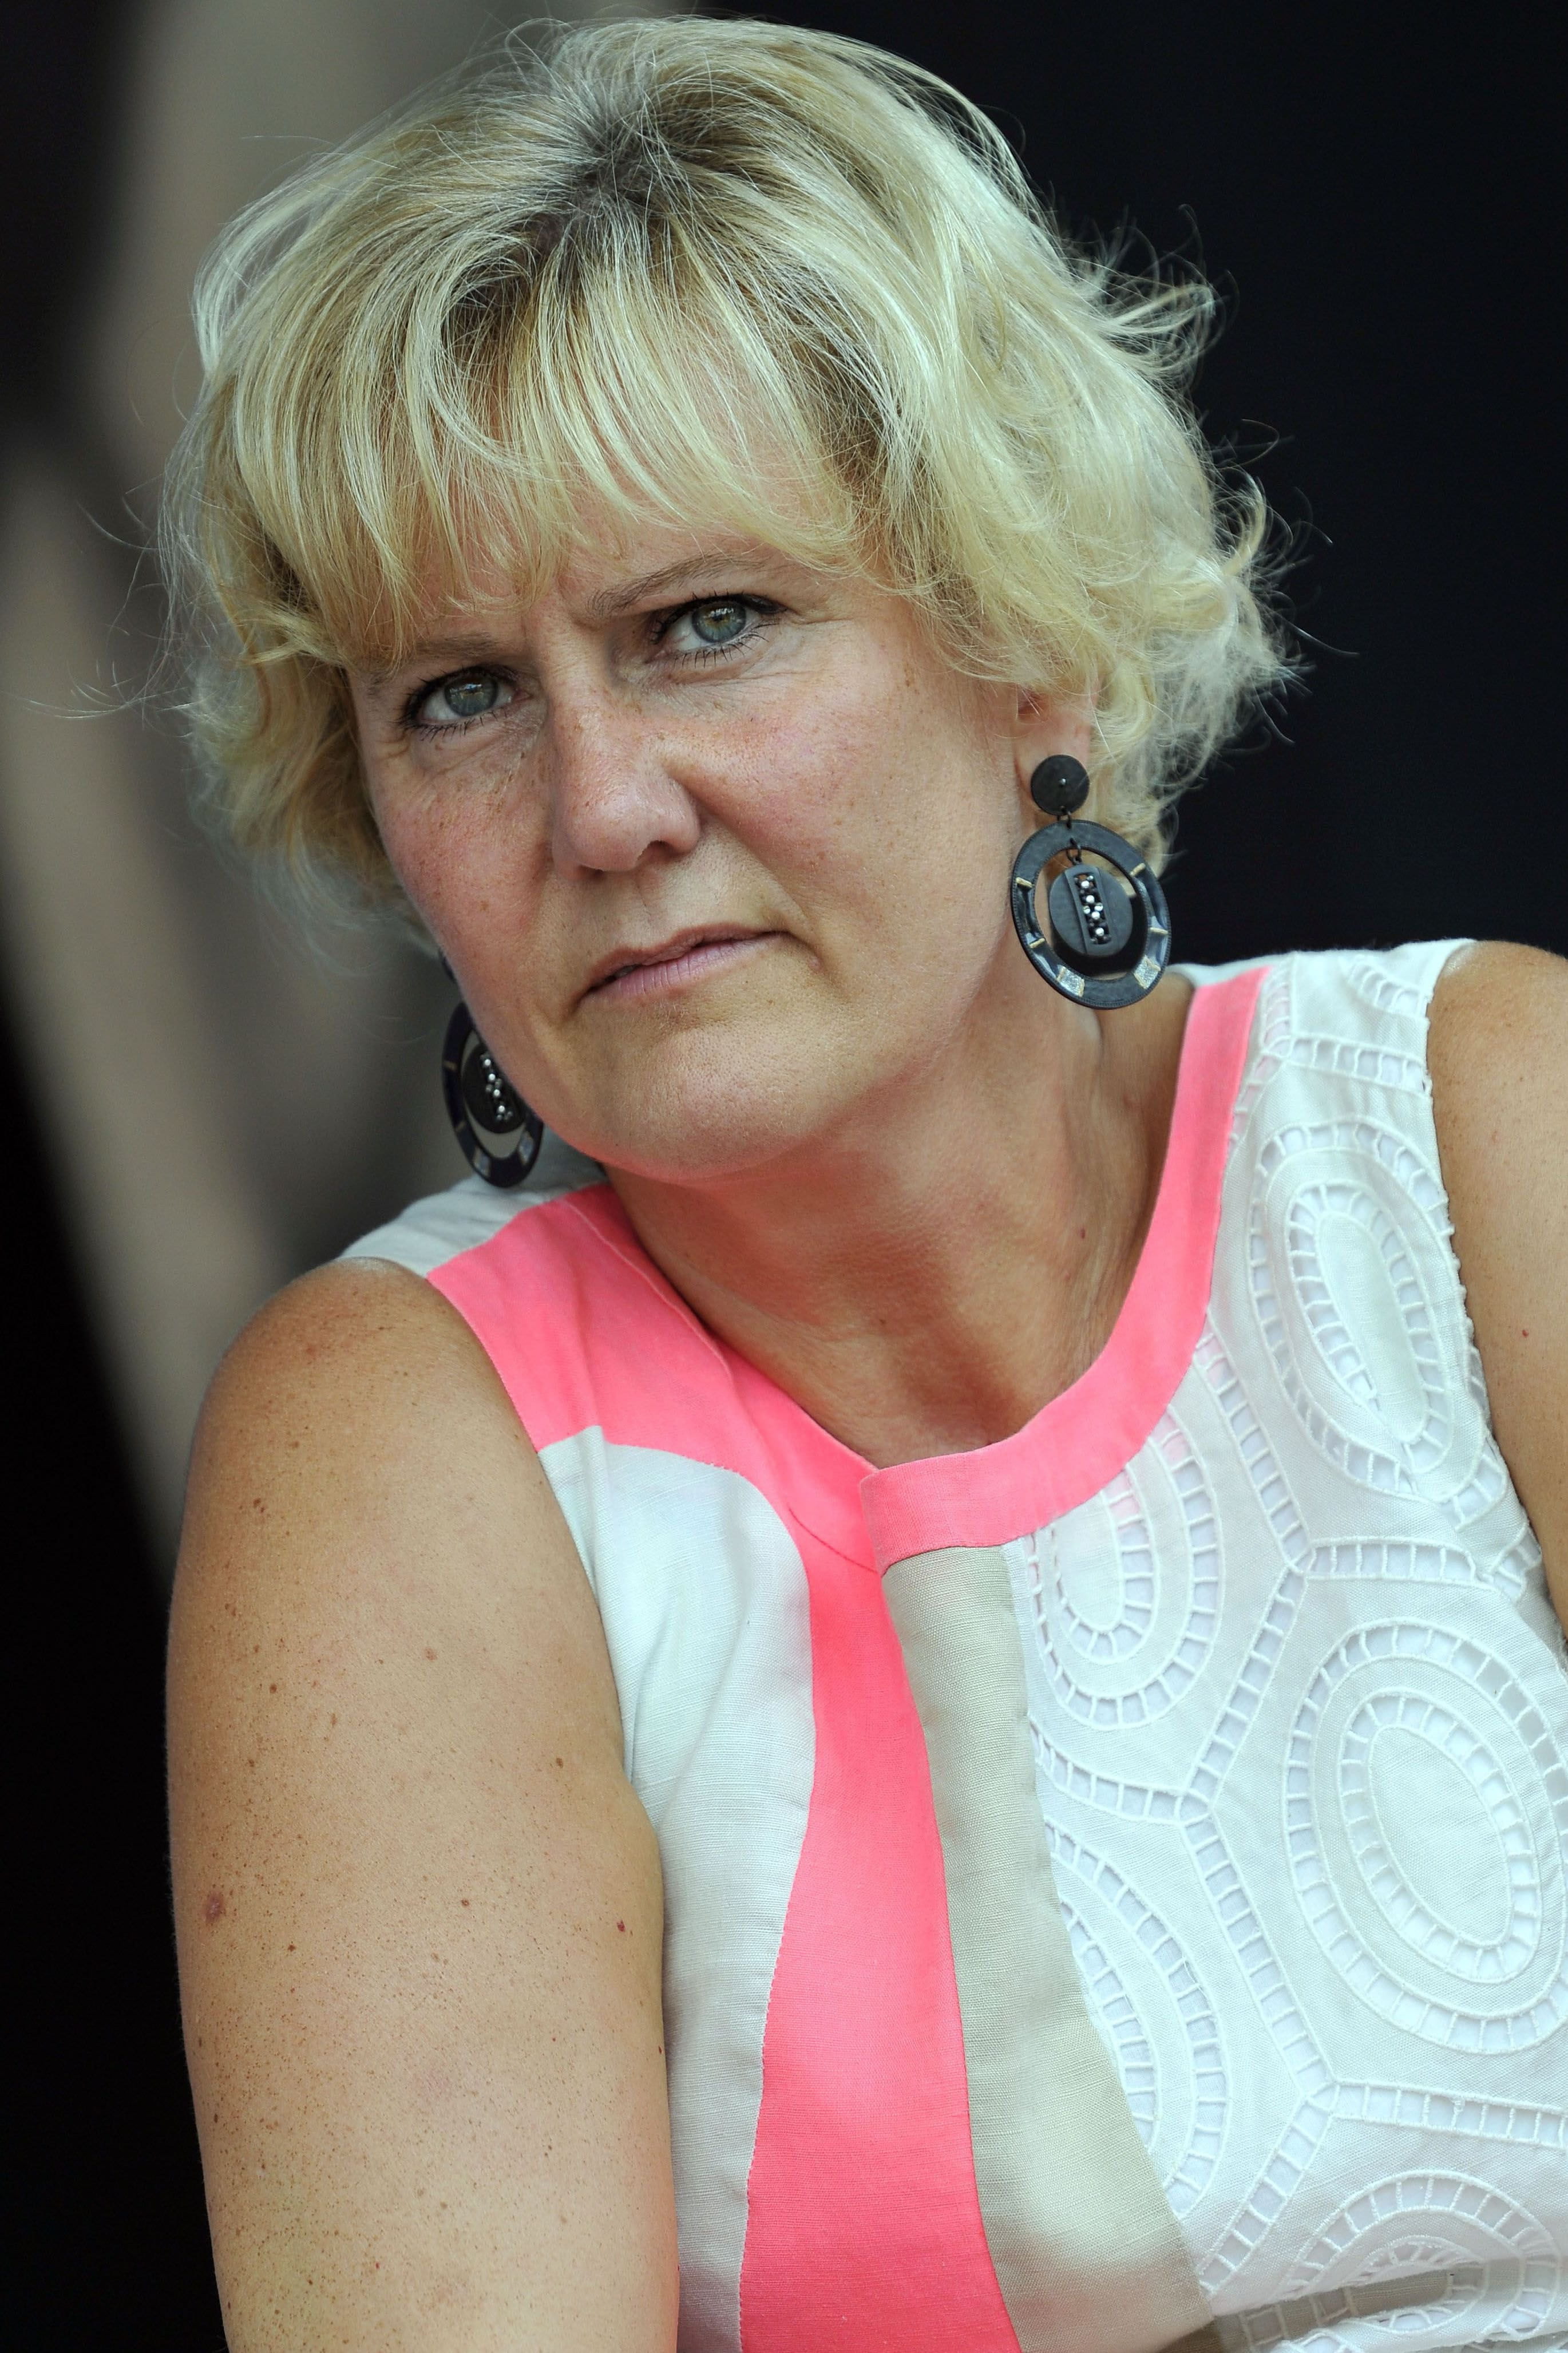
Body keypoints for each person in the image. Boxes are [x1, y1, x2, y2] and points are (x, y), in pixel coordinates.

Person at [164, 18, 1568, 2352]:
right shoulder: (406, 1445)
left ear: (1024, 646)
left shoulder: (1470, 1133)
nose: (603, 807)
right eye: (459, 694)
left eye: (702, 624)